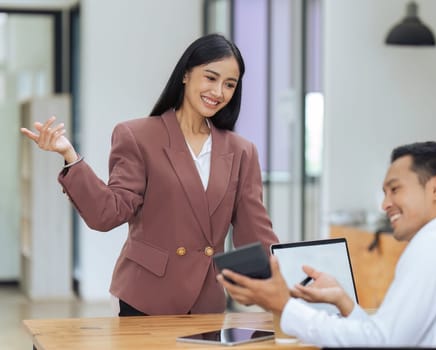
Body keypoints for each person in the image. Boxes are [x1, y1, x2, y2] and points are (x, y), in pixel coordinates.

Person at [19, 33, 279, 316]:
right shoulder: (137, 136)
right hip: (144, 295)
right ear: (186, 75)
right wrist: (70, 156)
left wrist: (283, 284)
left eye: (230, 84)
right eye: (210, 77)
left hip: (207, 300)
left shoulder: (242, 151)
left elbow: (255, 231)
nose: (218, 91)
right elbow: (108, 212)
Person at [218, 141, 436, 348]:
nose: (386, 204)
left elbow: (382, 342)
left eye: (395, 189)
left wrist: (284, 305)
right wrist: (343, 301)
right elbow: (394, 337)